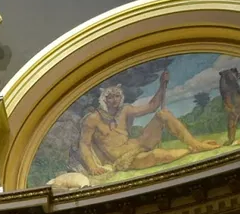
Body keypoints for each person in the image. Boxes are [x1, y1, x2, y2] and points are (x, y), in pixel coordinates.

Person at [75, 72, 216, 178]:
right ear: (103, 99)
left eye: (117, 96)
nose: (114, 100)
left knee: (163, 114)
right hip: (123, 159)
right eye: (110, 97)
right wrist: (92, 166)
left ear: (121, 97)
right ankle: (191, 150)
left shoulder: (125, 109)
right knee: (157, 156)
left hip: (139, 144)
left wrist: (162, 85)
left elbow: (152, 106)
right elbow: (85, 144)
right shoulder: (93, 119)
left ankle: (195, 144)